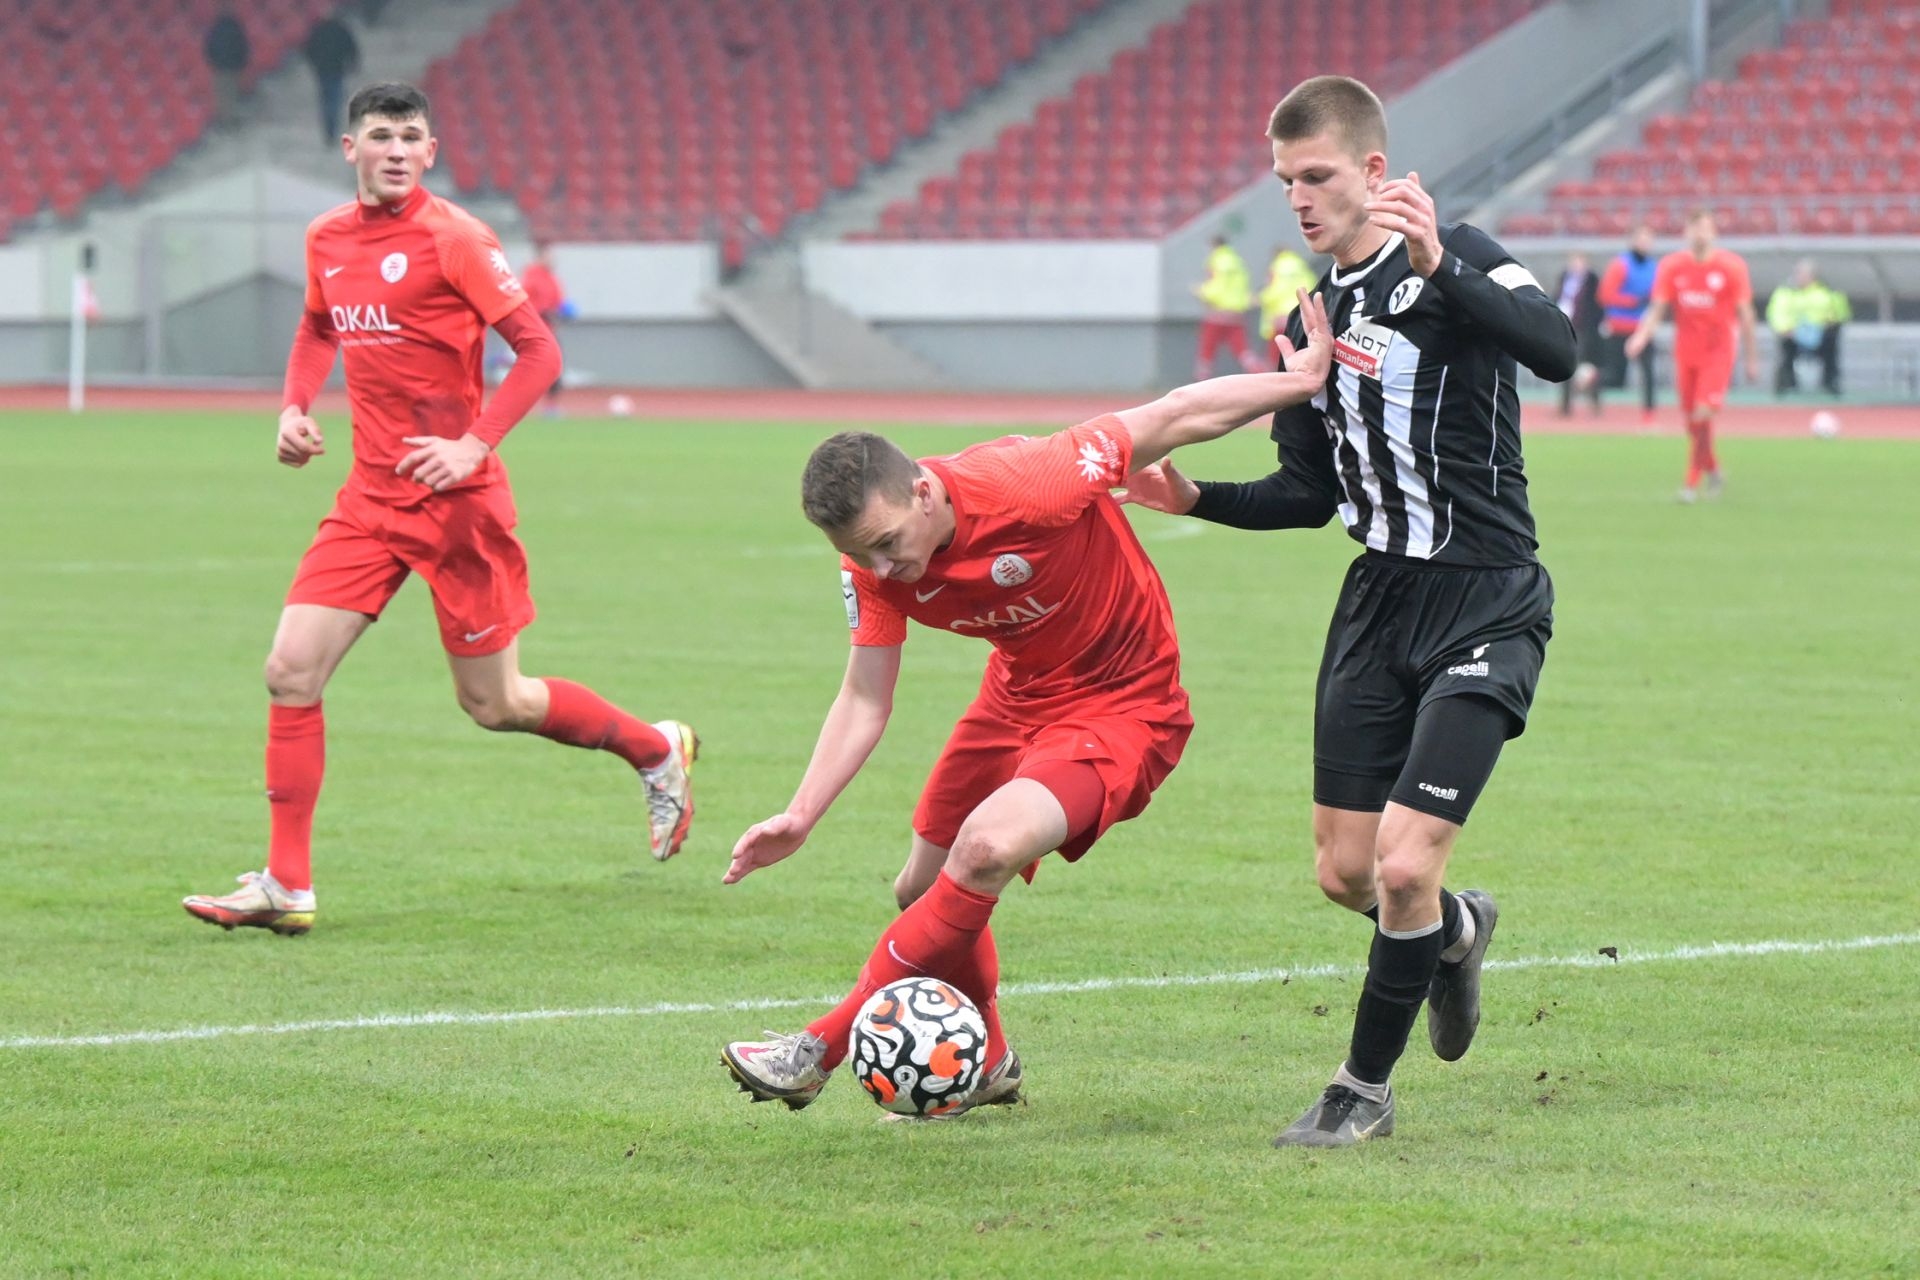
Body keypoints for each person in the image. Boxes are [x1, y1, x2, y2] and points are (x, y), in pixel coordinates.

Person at [719, 293, 1334, 1118]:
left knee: (984, 849)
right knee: (922, 888)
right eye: (861, 555)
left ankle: (818, 1046)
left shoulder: (1035, 481)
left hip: (1125, 706)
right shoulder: (869, 566)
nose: (884, 569)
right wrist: (800, 814)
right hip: (1015, 699)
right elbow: (865, 698)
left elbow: (1177, 414)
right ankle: (995, 1060)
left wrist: (1297, 384)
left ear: (928, 493)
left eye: (890, 544)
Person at [1119, 75, 1576, 1148]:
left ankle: (1359, 1088)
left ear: (1375, 171)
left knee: (1406, 863)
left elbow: (1557, 350)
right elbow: (1310, 494)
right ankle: (1457, 935)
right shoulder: (1308, 321)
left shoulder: (1456, 255)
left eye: (1317, 176)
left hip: (1487, 593)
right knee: (1346, 873)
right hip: (1376, 603)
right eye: (1286, 183)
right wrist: (1196, 497)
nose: (1301, 198)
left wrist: (1443, 267)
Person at [182, 83, 697, 938]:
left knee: (496, 706)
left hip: (457, 505)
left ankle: (652, 746)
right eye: (379, 135)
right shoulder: (327, 238)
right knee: (289, 671)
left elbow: (539, 352)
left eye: (410, 137)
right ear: (348, 149)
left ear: (429, 152)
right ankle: (286, 883)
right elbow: (317, 327)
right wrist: (294, 406)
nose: (394, 149)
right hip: (368, 500)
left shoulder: (456, 238)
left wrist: (476, 443)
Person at [1626, 209, 1758, 503]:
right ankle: (1713, 468)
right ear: (1686, 233)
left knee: (1702, 413)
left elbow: (1746, 315)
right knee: (1692, 422)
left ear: (1714, 233)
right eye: (1695, 228)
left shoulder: (1731, 267)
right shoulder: (1673, 267)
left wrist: (1751, 358)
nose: (1701, 234)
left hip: (1718, 351)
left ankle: (1690, 483)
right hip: (1686, 352)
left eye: (1706, 228)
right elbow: (1658, 308)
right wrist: (1641, 336)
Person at [1596, 225, 1659, 423]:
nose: (1645, 243)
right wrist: (1632, 301)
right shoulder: (1620, 264)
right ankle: (1591, 384)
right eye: (1641, 239)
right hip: (1619, 327)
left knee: (1649, 372)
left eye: (1648, 239)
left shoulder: (1653, 267)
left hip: (1642, 328)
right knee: (1616, 377)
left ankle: (1649, 415)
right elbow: (1605, 295)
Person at [1766, 258, 1848, 397]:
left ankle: (1830, 383)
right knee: (1785, 348)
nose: (1799, 277)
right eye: (1798, 273)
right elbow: (1775, 313)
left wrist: (1826, 325)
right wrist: (1786, 329)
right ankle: (1787, 384)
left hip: (1821, 336)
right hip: (1792, 336)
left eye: (1803, 274)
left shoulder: (1827, 293)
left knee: (1831, 342)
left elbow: (1840, 313)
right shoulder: (1785, 293)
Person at [1193, 236, 1263, 377]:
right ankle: (1260, 374)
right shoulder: (1237, 261)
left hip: (1217, 313)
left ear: (1214, 245)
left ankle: (1202, 383)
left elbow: (1215, 285)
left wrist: (1202, 292)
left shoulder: (1215, 260)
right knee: (1243, 350)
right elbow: (1242, 287)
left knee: (1207, 350)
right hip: (1236, 314)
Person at [519, 243, 573, 415]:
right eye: (548, 256)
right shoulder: (531, 277)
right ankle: (521, 406)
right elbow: (524, 302)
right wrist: (544, 312)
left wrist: (563, 312)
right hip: (534, 331)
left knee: (555, 368)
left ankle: (551, 406)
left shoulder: (552, 279)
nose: (552, 259)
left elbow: (559, 303)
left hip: (551, 331)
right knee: (532, 370)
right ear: (540, 257)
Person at [1553, 251, 1605, 416]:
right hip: (1566, 328)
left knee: (1587, 367)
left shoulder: (1592, 281)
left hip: (1585, 330)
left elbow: (1597, 306)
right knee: (1565, 365)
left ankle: (1594, 402)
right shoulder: (1564, 279)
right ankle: (1565, 405)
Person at [303, 15, 361, 148]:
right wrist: (353, 63)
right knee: (334, 99)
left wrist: (314, 63)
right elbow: (351, 47)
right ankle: (331, 128)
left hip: (324, 70)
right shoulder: (340, 29)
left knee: (326, 100)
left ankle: (329, 129)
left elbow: (308, 49)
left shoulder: (318, 30)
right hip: (335, 69)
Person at [1260, 245, 1319, 346]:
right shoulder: (1301, 265)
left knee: (1278, 354)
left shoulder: (1276, 267)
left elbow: (1273, 291)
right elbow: (1312, 286)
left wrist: (1261, 299)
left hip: (1281, 316)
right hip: (1301, 315)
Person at [203, 8, 250, 132]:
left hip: (221, 67)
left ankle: (224, 120)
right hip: (231, 67)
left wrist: (213, 61)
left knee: (222, 95)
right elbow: (243, 46)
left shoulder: (216, 28)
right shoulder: (235, 27)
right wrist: (241, 63)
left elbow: (209, 46)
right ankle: (229, 120)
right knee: (230, 94)